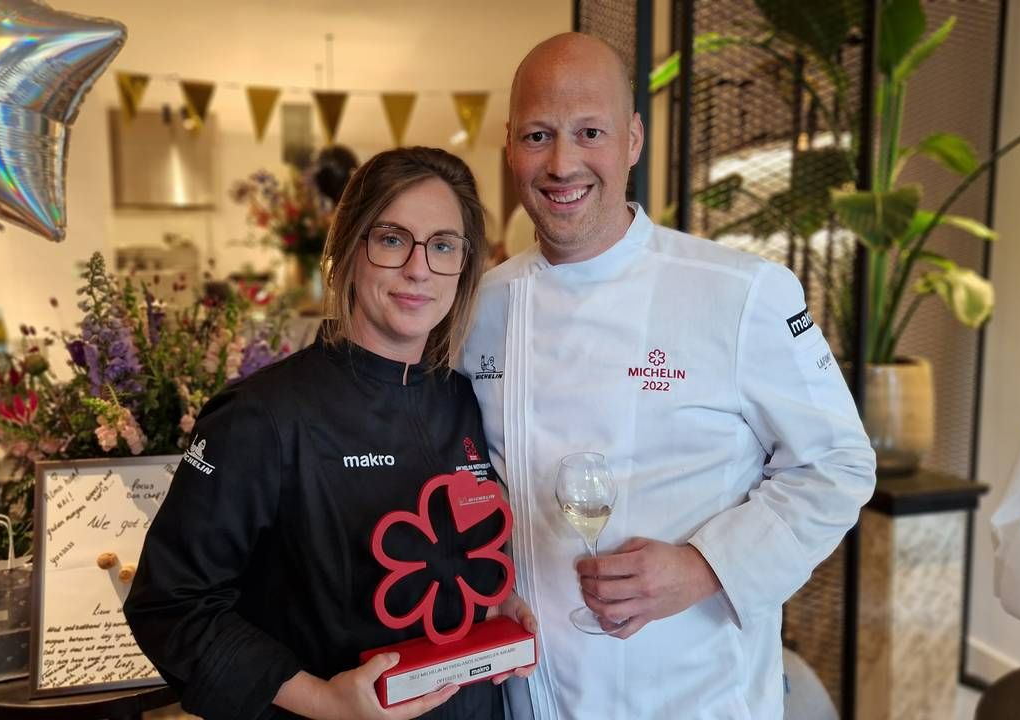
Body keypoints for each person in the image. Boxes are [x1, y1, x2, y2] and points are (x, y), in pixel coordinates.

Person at [460, 33, 877, 719]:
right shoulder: (480, 306)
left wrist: (704, 567)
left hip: (694, 695)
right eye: (539, 135)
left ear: (632, 139)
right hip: (533, 693)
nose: (562, 163)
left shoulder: (742, 293)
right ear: (509, 147)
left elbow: (836, 464)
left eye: (588, 132)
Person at [126, 147, 536, 720]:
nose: (418, 268)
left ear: (465, 266)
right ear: (347, 248)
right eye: (392, 239)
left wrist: (495, 603)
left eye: (443, 245)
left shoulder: (463, 400)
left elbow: (450, 552)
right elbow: (171, 604)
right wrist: (322, 699)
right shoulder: (261, 417)